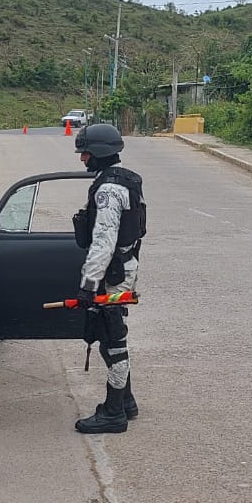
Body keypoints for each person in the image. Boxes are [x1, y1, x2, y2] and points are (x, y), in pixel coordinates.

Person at [70, 123, 147, 435]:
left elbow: (104, 240)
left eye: (85, 153)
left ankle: (114, 412)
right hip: (123, 267)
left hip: (113, 273)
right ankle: (125, 401)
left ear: (98, 153)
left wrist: (88, 284)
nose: (82, 159)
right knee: (111, 336)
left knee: (113, 340)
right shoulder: (124, 180)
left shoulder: (107, 190)